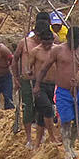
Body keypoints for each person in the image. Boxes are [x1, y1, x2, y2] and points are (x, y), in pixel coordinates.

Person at [36, 24, 79, 159]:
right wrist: (37, 85)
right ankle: (67, 148)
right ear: (68, 38)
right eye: (73, 40)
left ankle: (72, 143)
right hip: (63, 91)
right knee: (66, 120)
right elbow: (45, 68)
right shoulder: (58, 50)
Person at [23, 21, 58, 149]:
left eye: (49, 43)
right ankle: (52, 137)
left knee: (41, 114)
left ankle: (37, 142)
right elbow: (29, 66)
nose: (47, 46)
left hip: (53, 84)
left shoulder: (56, 50)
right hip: (40, 84)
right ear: (41, 41)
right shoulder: (35, 51)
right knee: (48, 108)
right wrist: (29, 73)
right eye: (45, 43)